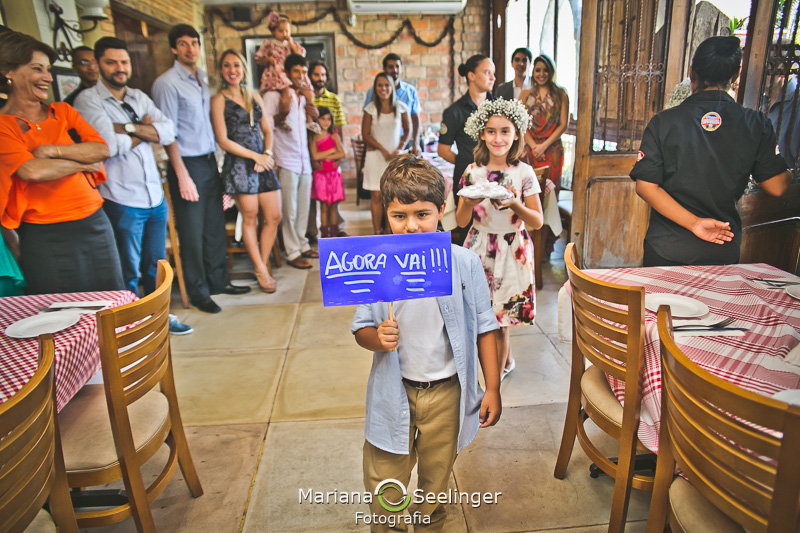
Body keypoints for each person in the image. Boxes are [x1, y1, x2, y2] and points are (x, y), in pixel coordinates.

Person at [351, 154, 501, 532]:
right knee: (384, 478)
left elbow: (485, 327)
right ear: (386, 213)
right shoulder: (376, 265)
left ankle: (430, 522)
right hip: (393, 391)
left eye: (423, 214)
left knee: (436, 480)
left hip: (447, 393)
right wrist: (377, 338)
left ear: (442, 210)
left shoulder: (464, 264)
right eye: (399, 216)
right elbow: (360, 329)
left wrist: (493, 387)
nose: (412, 226)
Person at [632, 36, 791, 267]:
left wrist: (694, 222)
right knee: (716, 304)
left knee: (660, 304)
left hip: (667, 247)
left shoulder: (663, 122)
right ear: (736, 75)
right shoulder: (755, 123)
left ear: (691, 72)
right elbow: (776, 187)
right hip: (721, 247)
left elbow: (645, 186)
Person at [73, 37, 192, 334]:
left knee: (156, 266)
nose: (119, 68)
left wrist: (127, 128)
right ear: (99, 64)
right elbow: (109, 146)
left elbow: (168, 131)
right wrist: (147, 130)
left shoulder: (139, 96)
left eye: (124, 62)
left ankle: (159, 317)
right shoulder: (88, 100)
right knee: (127, 268)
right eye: (111, 62)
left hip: (154, 196)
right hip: (122, 198)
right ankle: (130, 324)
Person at [0, 31, 123, 295]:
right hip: (45, 234)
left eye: (47, 69)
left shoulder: (64, 112)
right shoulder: (3, 125)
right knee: (61, 311)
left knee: (110, 302)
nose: (47, 76)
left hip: (94, 223)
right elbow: (32, 170)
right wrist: (82, 163)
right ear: (8, 71)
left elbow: (101, 149)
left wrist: (52, 151)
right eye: (37, 69)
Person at [152, 24, 250, 314]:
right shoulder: (167, 83)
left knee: (214, 228)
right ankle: (198, 291)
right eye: (183, 44)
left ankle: (219, 281)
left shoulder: (202, 79)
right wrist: (182, 175)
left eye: (194, 43)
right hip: (187, 165)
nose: (190, 49)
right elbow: (167, 133)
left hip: (209, 162)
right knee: (192, 233)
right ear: (173, 48)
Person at [455, 98, 543, 381]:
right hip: (479, 246)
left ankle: (500, 372)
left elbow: (537, 221)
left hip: (511, 248)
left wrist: (516, 204)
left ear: (516, 134)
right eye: (491, 131)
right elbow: (459, 221)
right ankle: (503, 361)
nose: (498, 138)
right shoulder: (472, 172)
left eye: (505, 131)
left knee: (502, 319)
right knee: (481, 314)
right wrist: (471, 200)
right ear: (481, 133)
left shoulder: (523, 173)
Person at [211, 49, 281, 294]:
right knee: (249, 216)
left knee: (273, 216)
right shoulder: (218, 99)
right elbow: (222, 140)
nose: (232, 70)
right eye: (227, 65)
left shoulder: (253, 96)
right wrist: (256, 157)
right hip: (240, 164)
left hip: (263, 162)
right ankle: (261, 269)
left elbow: (268, 130)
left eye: (237, 65)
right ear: (222, 70)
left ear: (243, 69)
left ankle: (261, 263)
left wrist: (267, 156)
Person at [262, 53, 318, 270]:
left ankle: (303, 244)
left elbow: (311, 127)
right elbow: (264, 126)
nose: (301, 76)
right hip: (285, 159)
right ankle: (292, 251)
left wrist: (310, 103)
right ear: (286, 73)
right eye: (296, 71)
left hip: (303, 160)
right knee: (290, 210)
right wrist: (283, 112)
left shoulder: (303, 97)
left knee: (304, 207)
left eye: (304, 72)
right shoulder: (274, 96)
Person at [439, 54, 495, 243]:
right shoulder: (454, 112)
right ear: (471, 75)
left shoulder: (498, 108)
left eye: (493, 73)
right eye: (487, 72)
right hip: (468, 178)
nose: (492, 78)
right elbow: (443, 150)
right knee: (468, 233)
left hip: (497, 177)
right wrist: (466, 160)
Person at [362, 72, 410, 234]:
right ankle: (377, 232)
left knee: (392, 197)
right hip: (376, 156)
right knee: (376, 196)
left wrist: (400, 147)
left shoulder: (401, 108)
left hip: (395, 158)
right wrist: (382, 149)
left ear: (392, 87)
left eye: (387, 85)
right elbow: (365, 134)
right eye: (380, 85)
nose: (383, 88)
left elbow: (408, 130)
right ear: (375, 88)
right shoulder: (370, 109)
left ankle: (390, 231)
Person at [254, 11, 315, 132]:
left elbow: (301, 54)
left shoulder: (291, 45)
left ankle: (309, 119)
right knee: (285, 91)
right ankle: (284, 118)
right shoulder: (270, 44)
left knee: (308, 91)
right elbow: (258, 58)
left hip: (289, 72)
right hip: (278, 73)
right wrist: (268, 59)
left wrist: (291, 43)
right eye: (280, 31)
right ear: (273, 32)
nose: (284, 34)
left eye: (287, 31)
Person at [307, 59, 347, 240]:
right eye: (316, 74)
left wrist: (337, 154)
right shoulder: (307, 99)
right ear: (310, 76)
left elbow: (339, 129)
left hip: (332, 161)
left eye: (323, 74)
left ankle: (335, 231)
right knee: (315, 202)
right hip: (314, 158)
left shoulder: (334, 100)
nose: (320, 78)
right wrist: (314, 157)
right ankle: (313, 232)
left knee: (333, 203)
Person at [519, 54, 569, 193]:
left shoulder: (561, 94)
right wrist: (534, 146)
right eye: (538, 70)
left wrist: (543, 146)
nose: (541, 74)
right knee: (527, 189)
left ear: (551, 72)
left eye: (545, 70)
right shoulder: (525, 94)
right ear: (533, 71)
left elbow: (563, 124)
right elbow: (520, 123)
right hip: (529, 148)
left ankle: (549, 216)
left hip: (551, 148)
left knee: (550, 190)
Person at [363, 53, 421, 155]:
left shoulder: (409, 91)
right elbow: (367, 122)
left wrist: (416, 142)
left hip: (403, 142)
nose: (395, 70)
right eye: (391, 67)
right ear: (384, 69)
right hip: (378, 145)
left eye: (397, 66)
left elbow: (415, 118)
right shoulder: (373, 92)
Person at [309, 106, 345, 238]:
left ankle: (334, 235)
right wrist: (331, 152)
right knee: (323, 207)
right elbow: (315, 156)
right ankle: (324, 236)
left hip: (334, 175)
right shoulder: (314, 136)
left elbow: (342, 153)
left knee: (334, 206)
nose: (325, 122)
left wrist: (324, 155)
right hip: (321, 176)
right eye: (323, 119)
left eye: (328, 119)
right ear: (317, 120)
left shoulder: (334, 134)